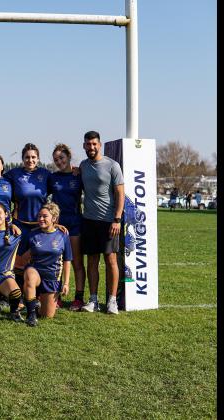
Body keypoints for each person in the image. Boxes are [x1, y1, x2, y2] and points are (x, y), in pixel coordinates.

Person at [78, 130, 125, 315]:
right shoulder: (83, 166)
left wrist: (117, 219)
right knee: (92, 261)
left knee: (111, 260)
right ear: (84, 146)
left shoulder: (112, 165)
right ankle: (93, 300)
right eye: (88, 144)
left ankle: (112, 301)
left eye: (94, 144)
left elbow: (120, 193)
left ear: (100, 144)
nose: (91, 147)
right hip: (89, 220)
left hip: (109, 221)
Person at [47, 144, 86, 311]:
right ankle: (57, 296)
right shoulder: (52, 177)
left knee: (77, 261)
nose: (59, 161)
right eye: (56, 159)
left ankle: (78, 297)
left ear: (69, 157)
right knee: (58, 261)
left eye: (61, 158)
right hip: (58, 225)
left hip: (75, 222)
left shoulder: (79, 175)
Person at [21, 203, 73, 326]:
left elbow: (67, 260)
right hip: (36, 273)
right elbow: (21, 258)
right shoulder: (32, 234)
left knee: (47, 315)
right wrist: (30, 252)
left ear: (54, 218)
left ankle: (37, 305)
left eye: (45, 216)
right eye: (39, 216)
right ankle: (31, 315)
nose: (41, 219)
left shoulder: (63, 234)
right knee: (30, 274)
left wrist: (66, 283)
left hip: (52, 278)